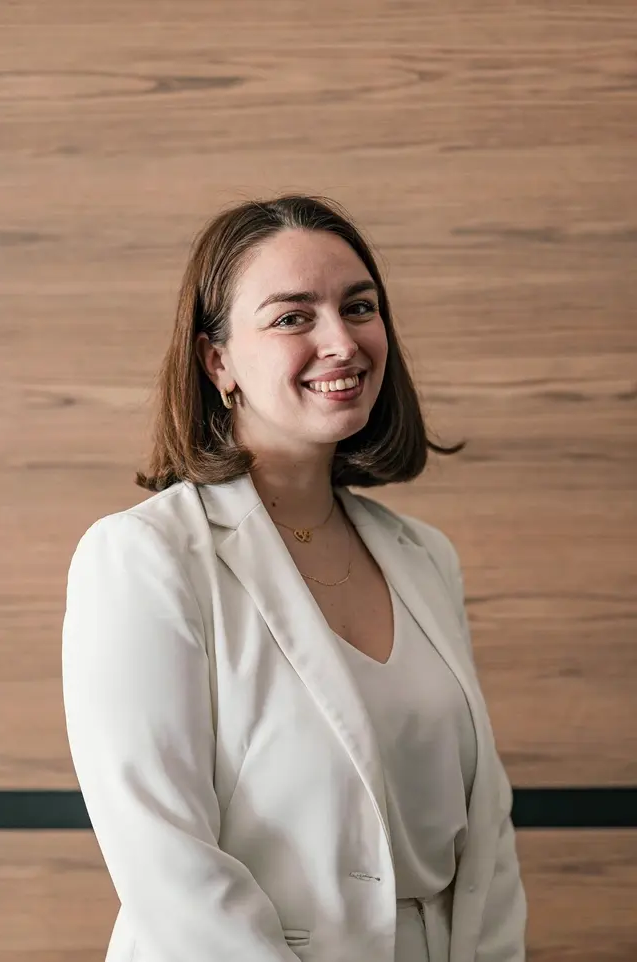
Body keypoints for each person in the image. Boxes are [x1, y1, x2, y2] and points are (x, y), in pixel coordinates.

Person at [61, 194, 526, 962]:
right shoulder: (146, 557)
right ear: (217, 362)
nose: (341, 342)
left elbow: (487, 840)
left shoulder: (424, 556)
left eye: (359, 307)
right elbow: (167, 862)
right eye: (292, 317)